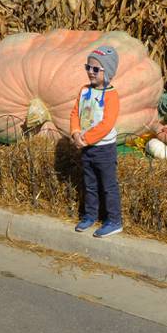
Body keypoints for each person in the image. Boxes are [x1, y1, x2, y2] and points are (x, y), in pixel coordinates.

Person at [70, 45, 123, 238]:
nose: (90, 73)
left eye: (95, 69)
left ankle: (114, 221)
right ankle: (90, 215)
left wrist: (86, 139)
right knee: (89, 184)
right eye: (88, 67)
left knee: (108, 186)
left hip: (104, 149)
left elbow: (107, 124)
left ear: (107, 72)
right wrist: (76, 133)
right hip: (86, 147)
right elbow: (75, 112)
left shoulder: (111, 95)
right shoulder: (84, 90)